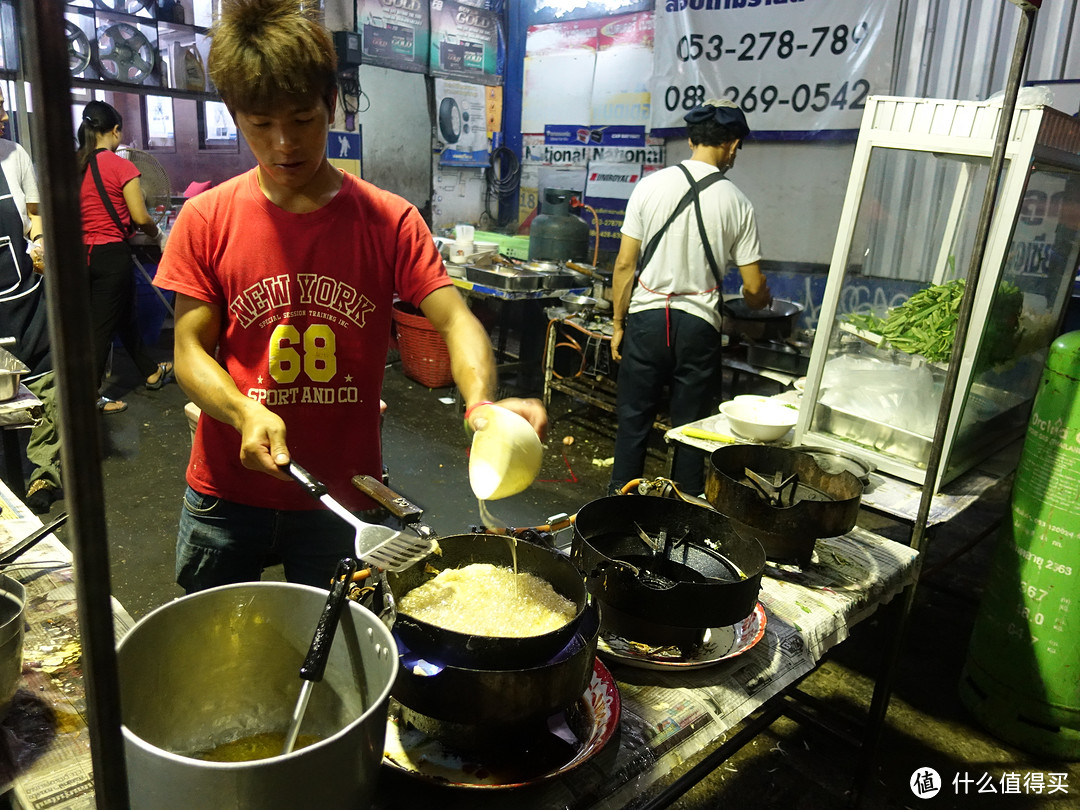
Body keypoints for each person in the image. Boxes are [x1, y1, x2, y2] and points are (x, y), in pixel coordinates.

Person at [153, 0, 547, 593]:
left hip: (346, 495)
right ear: (234, 116)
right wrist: (242, 411)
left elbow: (455, 320)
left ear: (332, 104)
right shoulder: (207, 219)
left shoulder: (389, 220)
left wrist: (480, 406)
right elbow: (189, 350)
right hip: (228, 495)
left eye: (303, 119)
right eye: (260, 124)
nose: (284, 143)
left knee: (342, 660)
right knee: (219, 659)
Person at [608, 98, 771, 497]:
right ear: (732, 144)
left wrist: (617, 325)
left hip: (647, 323)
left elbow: (625, 266)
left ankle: (618, 505)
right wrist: (761, 298)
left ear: (690, 137)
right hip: (698, 328)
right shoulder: (737, 203)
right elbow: (752, 290)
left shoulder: (649, 186)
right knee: (692, 431)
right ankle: (680, 518)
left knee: (633, 422)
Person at [77, 100, 173, 415]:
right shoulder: (122, 167)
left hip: (82, 256)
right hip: (111, 256)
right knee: (101, 328)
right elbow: (140, 216)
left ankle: (151, 371)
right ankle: (86, 398)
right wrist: (158, 236)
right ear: (115, 131)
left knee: (123, 317)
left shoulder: (76, 164)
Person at [0, 88, 60, 513]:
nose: (3, 116)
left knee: (47, 383)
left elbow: (35, 212)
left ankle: (43, 473)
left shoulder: (13, 153)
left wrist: (38, 241)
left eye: (1, 107)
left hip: (27, 295)